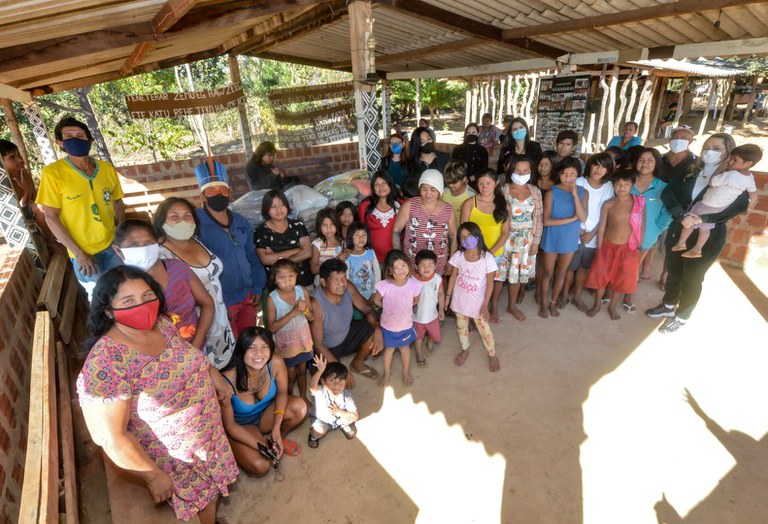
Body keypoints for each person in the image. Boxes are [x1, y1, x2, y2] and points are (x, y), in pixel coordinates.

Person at [77, 266, 238, 523]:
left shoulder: (160, 324)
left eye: (147, 295)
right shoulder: (105, 364)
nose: (142, 305)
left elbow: (184, 351)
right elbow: (109, 437)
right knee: (202, 498)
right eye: (128, 301)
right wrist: (153, 476)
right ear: (108, 311)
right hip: (177, 456)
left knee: (211, 493)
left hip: (209, 434)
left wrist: (212, 373)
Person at [647, 133, 745, 334]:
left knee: (692, 276)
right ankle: (668, 305)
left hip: (707, 233)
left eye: (716, 148)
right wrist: (680, 214)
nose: (710, 151)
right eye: (707, 147)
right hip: (680, 226)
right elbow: (668, 192)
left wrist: (703, 219)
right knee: (674, 269)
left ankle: (682, 316)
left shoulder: (734, 176)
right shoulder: (691, 168)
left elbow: (740, 204)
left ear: (728, 151)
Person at [36, 117, 125, 298]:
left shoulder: (107, 169)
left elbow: (118, 202)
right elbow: (50, 217)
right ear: (60, 143)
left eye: (80, 135)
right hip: (83, 253)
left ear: (90, 140)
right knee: (101, 300)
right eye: (69, 136)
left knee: (124, 292)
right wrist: (79, 253)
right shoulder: (53, 173)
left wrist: (120, 235)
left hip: (112, 245)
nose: (75, 139)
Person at [154, 197, 236, 369]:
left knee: (226, 371)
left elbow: (212, 281)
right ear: (161, 222)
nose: (182, 221)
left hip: (220, 323)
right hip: (195, 330)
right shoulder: (161, 256)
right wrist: (195, 344)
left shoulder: (196, 241)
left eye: (187, 216)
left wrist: (223, 307)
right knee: (203, 376)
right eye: (174, 217)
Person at [112, 219, 214, 350]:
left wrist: (196, 347)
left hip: (195, 349)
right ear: (118, 250)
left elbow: (207, 303)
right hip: (156, 362)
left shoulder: (178, 269)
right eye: (133, 245)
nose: (143, 250)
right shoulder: (117, 285)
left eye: (149, 243)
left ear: (157, 243)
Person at [219, 327, 307, 477]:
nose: (259, 353)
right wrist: (260, 447)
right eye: (251, 348)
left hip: (266, 416)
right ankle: (263, 446)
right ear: (241, 351)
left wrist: (276, 428)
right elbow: (230, 426)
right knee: (261, 466)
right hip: (241, 427)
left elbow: (281, 394)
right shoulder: (225, 382)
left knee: (299, 407)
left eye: (264, 347)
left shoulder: (276, 362)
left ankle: (276, 441)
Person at [195, 161, 266, 338]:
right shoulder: (197, 224)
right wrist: (216, 304)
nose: (218, 195)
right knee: (228, 345)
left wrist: (257, 287)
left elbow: (252, 257)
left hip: (247, 296)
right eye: (212, 191)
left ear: (229, 193)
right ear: (203, 195)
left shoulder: (241, 222)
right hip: (221, 301)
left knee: (247, 341)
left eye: (223, 190)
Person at [671, 144, 758, 259]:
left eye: (734, 160)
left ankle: (681, 242)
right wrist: (749, 207)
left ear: (748, 164)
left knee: (690, 222)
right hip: (720, 207)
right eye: (731, 158)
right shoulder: (749, 178)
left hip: (707, 203)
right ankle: (698, 248)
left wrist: (719, 169)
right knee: (705, 228)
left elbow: (712, 183)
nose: (730, 162)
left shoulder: (730, 175)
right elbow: (754, 194)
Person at [310, 258, 384, 386]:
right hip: (327, 348)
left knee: (372, 330)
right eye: (336, 280)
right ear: (323, 282)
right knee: (332, 384)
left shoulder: (348, 286)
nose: (342, 283)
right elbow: (318, 345)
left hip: (346, 335)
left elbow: (367, 309)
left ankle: (357, 363)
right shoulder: (315, 302)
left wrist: (378, 329)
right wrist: (340, 369)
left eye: (344, 277)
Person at [585, 171, 646, 320]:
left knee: (620, 278)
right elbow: (602, 227)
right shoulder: (609, 204)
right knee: (600, 276)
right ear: (613, 185)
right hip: (607, 247)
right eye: (618, 184)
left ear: (632, 186)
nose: (622, 187)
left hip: (628, 248)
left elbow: (642, 225)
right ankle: (597, 304)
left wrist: (638, 245)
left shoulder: (638, 203)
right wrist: (599, 248)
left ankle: (612, 306)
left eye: (626, 184)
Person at [562, 153, 615, 311]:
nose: (598, 169)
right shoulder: (578, 182)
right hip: (574, 231)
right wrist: (579, 229)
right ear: (589, 165)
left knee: (584, 268)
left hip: (594, 235)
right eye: (595, 164)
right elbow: (569, 207)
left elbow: (605, 213)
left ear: (608, 170)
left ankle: (576, 296)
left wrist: (592, 233)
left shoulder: (609, 187)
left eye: (603, 166)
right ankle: (564, 294)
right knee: (570, 267)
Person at [445, 222, 499, 372]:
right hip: (460, 300)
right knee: (461, 327)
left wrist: (485, 305)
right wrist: (448, 297)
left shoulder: (487, 258)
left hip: (478, 303)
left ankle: (492, 353)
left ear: (478, 235)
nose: (466, 239)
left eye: (469, 235)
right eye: (462, 237)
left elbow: (490, 283)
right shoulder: (459, 255)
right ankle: (465, 348)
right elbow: (453, 277)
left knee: (484, 329)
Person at [538, 157, 588, 319]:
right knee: (547, 272)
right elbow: (546, 221)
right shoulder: (552, 192)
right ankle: (544, 304)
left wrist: (574, 196)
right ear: (559, 174)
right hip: (552, 236)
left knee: (561, 273)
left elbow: (582, 217)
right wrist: (571, 219)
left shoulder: (582, 192)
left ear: (578, 175)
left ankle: (553, 303)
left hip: (569, 237)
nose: (568, 178)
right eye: (565, 174)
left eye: (572, 174)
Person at [460, 168, 510, 323]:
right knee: (474, 284)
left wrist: (491, 252)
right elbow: (464, 231)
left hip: (496, 252)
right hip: (474, 253)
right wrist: (475, 251)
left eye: (488, 183)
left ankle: (492, 306)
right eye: (481, 183)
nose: (484, 187)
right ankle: (473, 312)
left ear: (496, 184)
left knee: (495, 281)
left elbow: (505, 232)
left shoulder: (504, 204)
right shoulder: (469, 203)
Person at [498, 157, 543, 321]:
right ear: (511, 171)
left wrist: (536, 242)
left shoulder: (535, 191)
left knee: (516, 275)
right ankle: (493, 307)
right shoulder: (503, 189)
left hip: (526, 241)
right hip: (505, 238)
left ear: (531, 172)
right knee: (498, 274)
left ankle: (511, 306)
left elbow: (538, 218)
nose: (521, 174)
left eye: (525, 171)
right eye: (517, 171)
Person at [626, 148, 671, 310]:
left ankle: (627, 295)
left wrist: (657, 229)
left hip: (646, 234)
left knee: (633, 266)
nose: (645, 163)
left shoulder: (662, 186)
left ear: (656, 163)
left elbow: (667, 211)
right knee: (619, 262)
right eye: (641, 160)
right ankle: (612, 292)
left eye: (650, 160)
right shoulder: (627, 180)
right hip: (622, 232)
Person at [265, 259, 314, 401]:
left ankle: (303, 398)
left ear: (297, 276)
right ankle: (290, 399)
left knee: (302, 372)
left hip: (303, 340)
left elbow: (311, 317)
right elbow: (272, 327)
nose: (287, 281)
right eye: (282, 278)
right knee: (289, 375)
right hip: (285, 345)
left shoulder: (302, 291)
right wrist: (293, 312)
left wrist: (305, 310)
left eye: (291, 276)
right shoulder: (272, 299)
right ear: (275, 280)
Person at [392, 169, 457, 275]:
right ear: (419, 188)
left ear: (440, 190)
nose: (428, 194)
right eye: (424, 189)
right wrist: (398, 257)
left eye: (433, 189)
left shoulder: (448, 210)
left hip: (438, 262)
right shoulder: (409, 205)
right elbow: (396, 230)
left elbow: (453, 236)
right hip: (412, 261)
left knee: (435, 289)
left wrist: (451, 261)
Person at [0, 140, 59, 255]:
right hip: (22, 227)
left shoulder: (24, 175)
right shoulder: (3, 187)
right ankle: (50, 243)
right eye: (12, 157)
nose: (20, 160)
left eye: (19, 155)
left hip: (38, 220)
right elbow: (19, 214)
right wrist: (27, 191)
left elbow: (38, 199)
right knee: (38, 207)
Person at [656, 125, 697, 290]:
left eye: (683, 138)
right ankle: (644, 270)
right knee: (650, 240)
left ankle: (665, 275)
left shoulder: (696, 163)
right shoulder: (660, 159)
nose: (678, 141)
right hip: (656, 205)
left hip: (679, 209)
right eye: (675, 137)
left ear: (691, 141)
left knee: (672, 244)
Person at [373, 250, 422, 387]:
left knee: (404, 349)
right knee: (388, 350)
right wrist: (388, 308)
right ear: (389, 270)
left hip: (405, 325)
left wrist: (404, 307)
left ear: (408, 265)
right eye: (396, 267)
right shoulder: (385, 285)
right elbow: (377, 300)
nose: (400, 270)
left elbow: (416, 299)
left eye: (403, 265)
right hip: (388, 326)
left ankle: (406, 372)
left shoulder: (414, 284)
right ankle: (387, 373)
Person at [254, 190, 312, 289]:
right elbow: (265, 259)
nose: (279, 209)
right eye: (273, 207)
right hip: (279, 286)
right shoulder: (261, 231)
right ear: (266, 209)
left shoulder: (298, 225)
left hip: (303, 281)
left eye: (282, 205)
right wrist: (297, 250)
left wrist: (278, 260)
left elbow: (307, 253)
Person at [308, 355, 359, 449]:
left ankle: (342, 425)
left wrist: (339, 411)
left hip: (338, 418)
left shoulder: (346, 396)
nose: (336, 385)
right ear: (323, 382)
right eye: (332, 380)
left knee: (350, 417)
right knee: (317, 431)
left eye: (341, 381)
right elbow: (312, 387)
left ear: (345, 383)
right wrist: (320, 371)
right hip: (322, 419)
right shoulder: (321, 391)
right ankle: (313, 436)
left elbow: (355, 416)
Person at [357, 171, 401, 263]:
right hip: (372, 259)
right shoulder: (366, 206)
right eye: (376, 184)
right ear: (373, 188)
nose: (380, 187)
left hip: (396, 259)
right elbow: (360, 230)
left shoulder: (400, 204)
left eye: (384, 183)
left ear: (390, 184)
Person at [412, 249, 445, 365]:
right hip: (417, 317)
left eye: (430, 265)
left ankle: (430, 340)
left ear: (436, 266)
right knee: (418, 338)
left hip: (432, 316)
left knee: (436, 337)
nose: (427, 268)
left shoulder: (437, 279)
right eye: (423, 265)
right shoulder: (412, 280)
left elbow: (441, 294)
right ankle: (419, 354)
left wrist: (441, 309)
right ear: (416, 266)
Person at [406, 127, 451, 197]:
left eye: (429, 139)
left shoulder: (445, 158)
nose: (427, 142)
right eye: (422, 142)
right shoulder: (412, 164)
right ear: (417, 145)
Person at [345, 221, 381, 301]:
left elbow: (377, 271)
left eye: (364, 235)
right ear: (351, 237)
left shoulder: (370, 252)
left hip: (371, 292)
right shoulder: (348, 256)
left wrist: (375, 291)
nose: (361, 238)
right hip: (354, 295)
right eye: (357, 235)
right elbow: (346, 276)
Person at [310, 208, 344, 280]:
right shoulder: (317, 244)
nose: (329, 229)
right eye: (324, 225)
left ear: (337, 225)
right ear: (319, 227)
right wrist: (337, 259)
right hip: (325, 280)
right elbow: (314, 269)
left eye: (332, 224)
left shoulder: (342, 242)